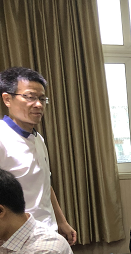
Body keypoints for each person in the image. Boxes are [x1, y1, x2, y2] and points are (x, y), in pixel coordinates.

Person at [0, 66, 77, 245]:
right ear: (7, 99)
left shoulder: (37, 138)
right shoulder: (2, 139)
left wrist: (61, 221)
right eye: (30, 97)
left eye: (42, 98)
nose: (39, 105)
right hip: (18, 241)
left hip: (47, 231)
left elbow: (45, 183)